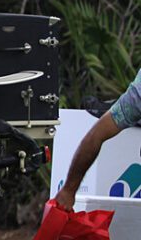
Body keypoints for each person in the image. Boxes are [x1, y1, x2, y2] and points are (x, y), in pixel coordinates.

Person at [52, 65, 141, 210]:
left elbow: (96, 135)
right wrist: (68, 190)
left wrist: (69, 189)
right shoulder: (137, 97)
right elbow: (96, 135)